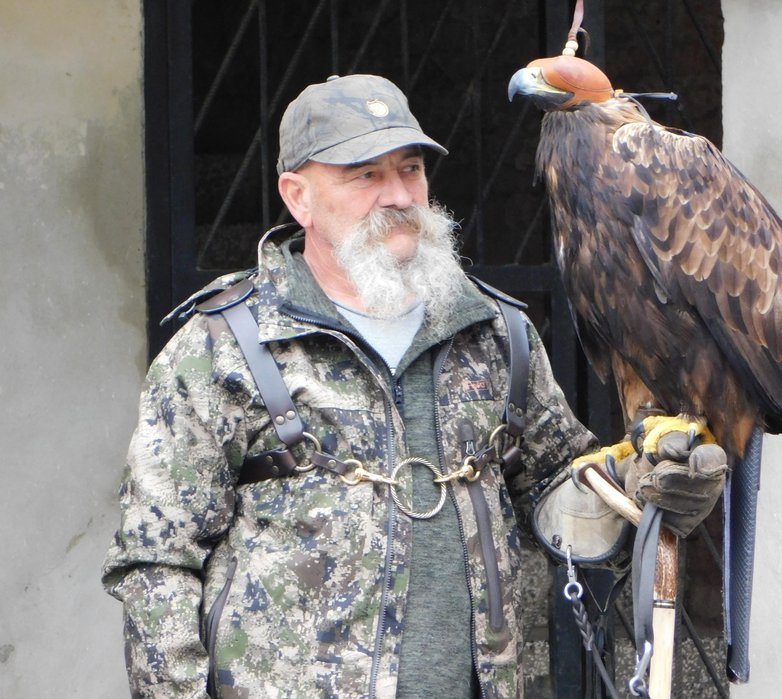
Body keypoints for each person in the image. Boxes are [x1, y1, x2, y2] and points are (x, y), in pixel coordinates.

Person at [103, 73, 724, 698]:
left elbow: (559, 504)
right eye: (364, 175)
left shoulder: (496, 333)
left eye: (410, 170)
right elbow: (156, 562)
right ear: (298, 197)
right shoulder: (223, 347)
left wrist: (637, 496)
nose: (398, 195)